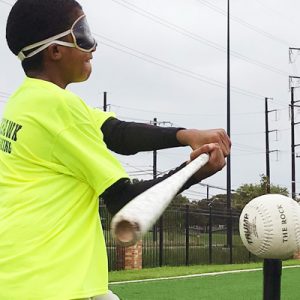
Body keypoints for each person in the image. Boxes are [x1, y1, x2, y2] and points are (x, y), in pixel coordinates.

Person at [0, 0, 231, 299]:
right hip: (51, 284)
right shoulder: (60, 108)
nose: (92, 46)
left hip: (21, 277)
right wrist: (197, 169)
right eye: (82, 34)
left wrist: (186, 135)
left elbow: (116, 133)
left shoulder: (25, 101)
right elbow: (125, 201)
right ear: (55, 50)